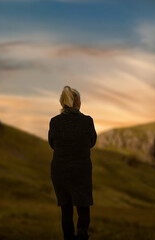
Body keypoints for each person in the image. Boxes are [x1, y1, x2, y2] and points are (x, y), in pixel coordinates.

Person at [48, 86, 97, 240]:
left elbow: (52, 143)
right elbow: (92, 141)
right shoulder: (87, 121)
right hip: (81, 171)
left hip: (60, 171)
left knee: (66, 209)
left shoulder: (55, 122)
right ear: (77, 102)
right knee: (83, 209)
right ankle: (82, 236)